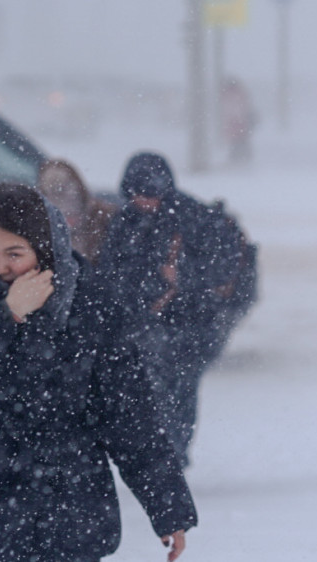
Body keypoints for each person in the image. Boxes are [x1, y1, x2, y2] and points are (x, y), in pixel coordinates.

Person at [0, 183, 196, 561]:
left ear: (46, 250)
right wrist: (5, 316)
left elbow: (130, 419)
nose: (0, 267)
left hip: (70, 509)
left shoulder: (93, 310)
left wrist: (168, 508)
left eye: (14, 254)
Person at [98, 152, 244, 467]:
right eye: (137, 194)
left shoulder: (193, 217)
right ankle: (162, 454)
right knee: (151, 393)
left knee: (180, 391)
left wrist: (182, 278)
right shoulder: (126, 221)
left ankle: (173, 455)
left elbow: (223, 267)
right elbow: (111, 270)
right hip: (145, 324)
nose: (144, 202)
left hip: (191, 322)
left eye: (150, 193)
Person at [36, 158, 117, 265]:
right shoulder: (38, 227)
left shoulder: (105, 217)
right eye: (53, 192)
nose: (63, 198)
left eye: (65, 188)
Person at [219, 77, 257, 165]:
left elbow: (229, 109)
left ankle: (238, 156)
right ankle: (242, 156)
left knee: (237, 141)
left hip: (235, 123)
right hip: (239, 123)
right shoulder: (239, 94)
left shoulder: (228, 95)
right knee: (240, 140)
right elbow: (243, 107)